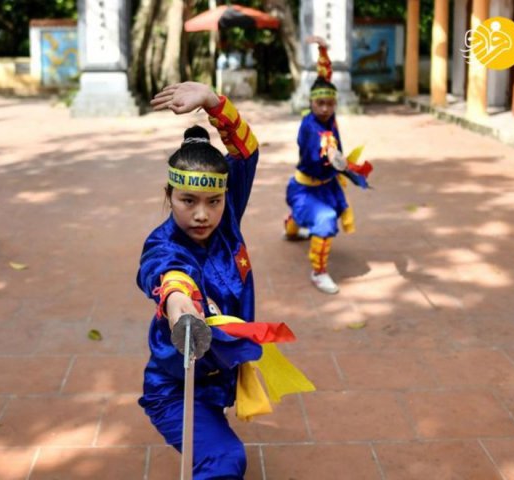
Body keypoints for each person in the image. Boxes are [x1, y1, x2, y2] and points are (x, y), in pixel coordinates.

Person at [137, 82, 261, 479]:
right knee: (225, 460)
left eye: (213, 201)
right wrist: (184, 313)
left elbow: (246, 152)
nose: (202, 215)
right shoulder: (163, 244)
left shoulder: (227, 222)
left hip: (216, 380)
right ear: (169, 194)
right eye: (187, 200)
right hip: (175, 386)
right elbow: (170, 278)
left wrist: (214, 102)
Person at [283, 37, 372, 295]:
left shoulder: (330, 118)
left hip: (326, 185)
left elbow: (325, 78)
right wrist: (331, 156)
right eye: (319, 103)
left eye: (330, 103)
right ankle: (319, 272)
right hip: (306, 188)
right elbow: (315, 153)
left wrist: (323, 50)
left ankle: (291, 228)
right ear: (310, 102)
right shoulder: (309, 126)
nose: (324, 108)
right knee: (325, 219)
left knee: (306, 218)